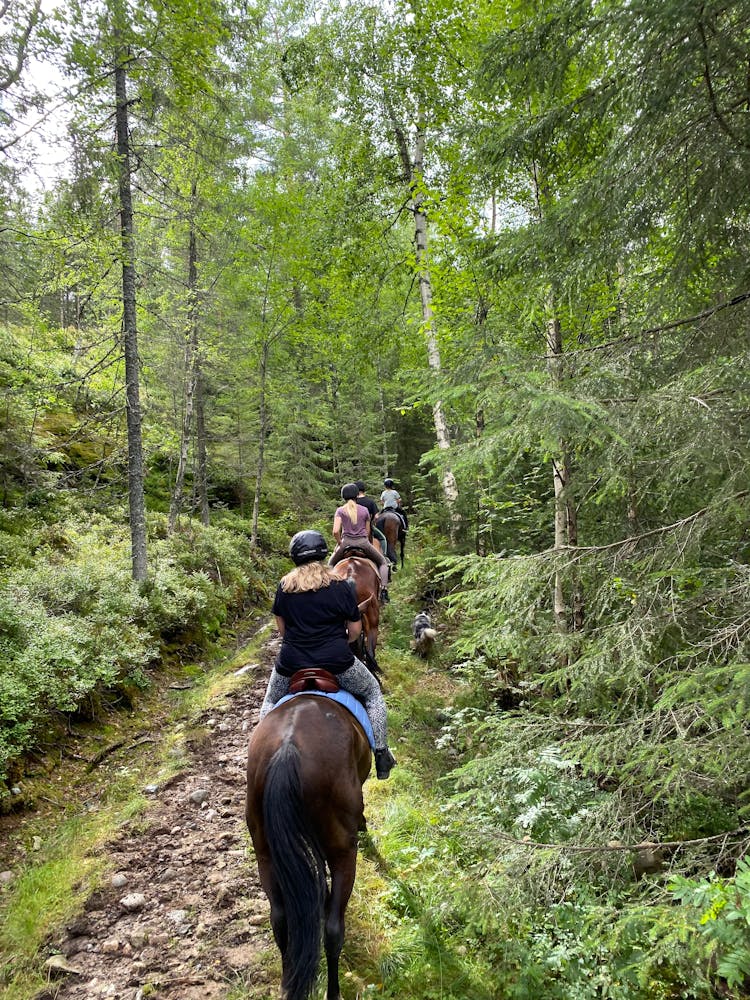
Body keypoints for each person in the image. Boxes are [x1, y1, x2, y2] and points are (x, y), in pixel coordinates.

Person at [259, 529, 396, 779]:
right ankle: (382, 753)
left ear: (294, 557)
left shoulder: (285, 586)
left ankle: (259, 758)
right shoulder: (341, 585)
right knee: (372, 692)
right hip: (337, 662)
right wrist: (339, 639)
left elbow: (282, 631)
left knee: (269, 702)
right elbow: (355, 631)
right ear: (323, 554)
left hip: (291, 663)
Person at [329, 483, 391, 603]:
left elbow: (335, 531)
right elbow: (368, 531)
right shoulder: (364, 510)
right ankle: (384, 591)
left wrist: (340, 543)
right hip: (363, 543)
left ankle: (328, 593)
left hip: (345, 543)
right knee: (383, 562)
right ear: (357, 495)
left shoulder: (340, 510)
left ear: (344, 496)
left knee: (330, 565)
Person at [355, 480, 388, 559]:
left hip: (352, 529)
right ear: (364, 490)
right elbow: (376, 516)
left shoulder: (352, 502)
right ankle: (385, 557)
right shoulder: (370, 502)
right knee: (382, 538)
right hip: (367, 528)